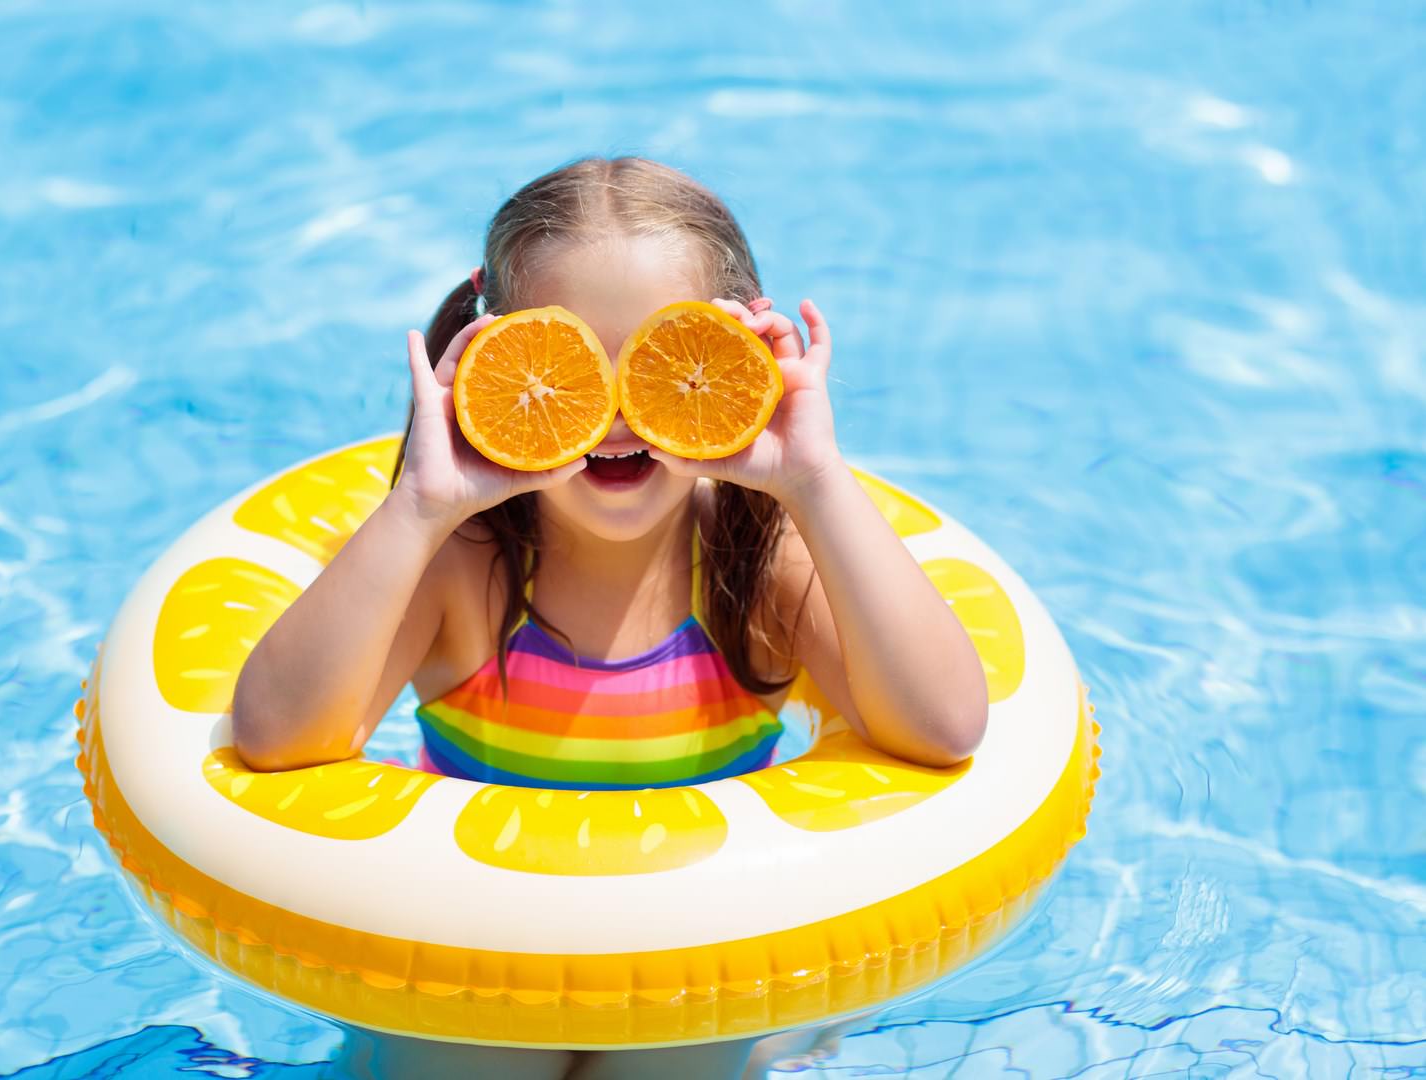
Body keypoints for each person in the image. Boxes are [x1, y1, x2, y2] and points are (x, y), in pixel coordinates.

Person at [230, 156, 989, 1080]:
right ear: (494, 350)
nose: (618, 414)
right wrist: (423, 506)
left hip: (693, 972)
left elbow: (944, 728)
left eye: (662, 361)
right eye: (571, 364)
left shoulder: (759, 567)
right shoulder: (462, 569)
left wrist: (817, 482)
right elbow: (278, 740)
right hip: (477, 966)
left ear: (744, 350)